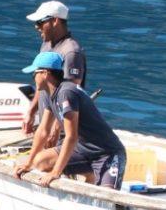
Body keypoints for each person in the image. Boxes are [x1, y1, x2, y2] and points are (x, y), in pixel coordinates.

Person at [14, 52, 125, 190]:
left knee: (107, 195)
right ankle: (90, 172)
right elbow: (43, 130)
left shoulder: (66, 92)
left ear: (45, 73)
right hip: (82, 150)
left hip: (107, 153)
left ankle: (94, 174)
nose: (33, 78)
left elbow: (71, 136)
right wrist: (28, 163)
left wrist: (56, 172)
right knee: (41, 161)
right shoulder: (48, 94)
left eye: (34, 74)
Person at [22, 0, 87, 134]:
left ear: (55, 21)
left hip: (62, 130)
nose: (36, 27)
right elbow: (42, 85)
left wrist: (57, 128)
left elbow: (70, 94)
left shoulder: (71, 52)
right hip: (46, 125)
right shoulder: (46, 45)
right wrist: (31, 112)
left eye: (40, 22)